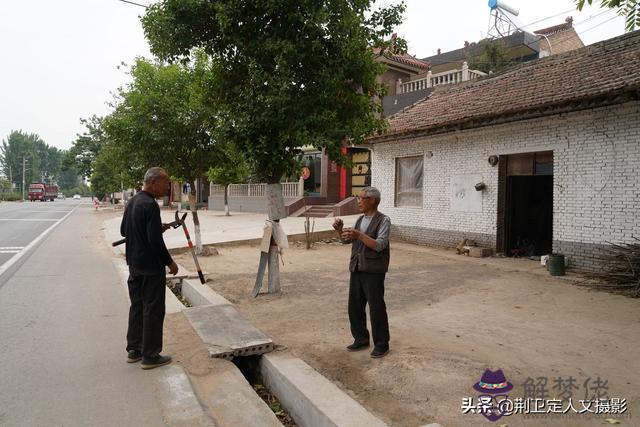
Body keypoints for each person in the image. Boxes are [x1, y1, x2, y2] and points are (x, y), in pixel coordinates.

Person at [120, 167, 179, 369]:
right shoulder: (151, 205)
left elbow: (123, 230)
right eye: (165, 182)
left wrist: (155, 227)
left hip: (134, 265)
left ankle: (134, 350)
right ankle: (150, 355)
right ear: (153, 183)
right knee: (153, 310)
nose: (167, 186)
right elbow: (154, 242)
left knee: (137, 307)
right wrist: (170, 262)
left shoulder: (133, 201)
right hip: (151, 268)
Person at [333, 187, 391, 358]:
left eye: (361, 198)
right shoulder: (360, 220)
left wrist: (359, 235)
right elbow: (346, 241)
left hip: (373, 270)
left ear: (372, 200)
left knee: (376, 308)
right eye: (358, 198)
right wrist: (340, 229)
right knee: (355, 306)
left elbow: (380, 245)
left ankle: (382, 344)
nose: (358, 201)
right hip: (357, 267)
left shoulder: (384, 220)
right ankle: (361, 338)